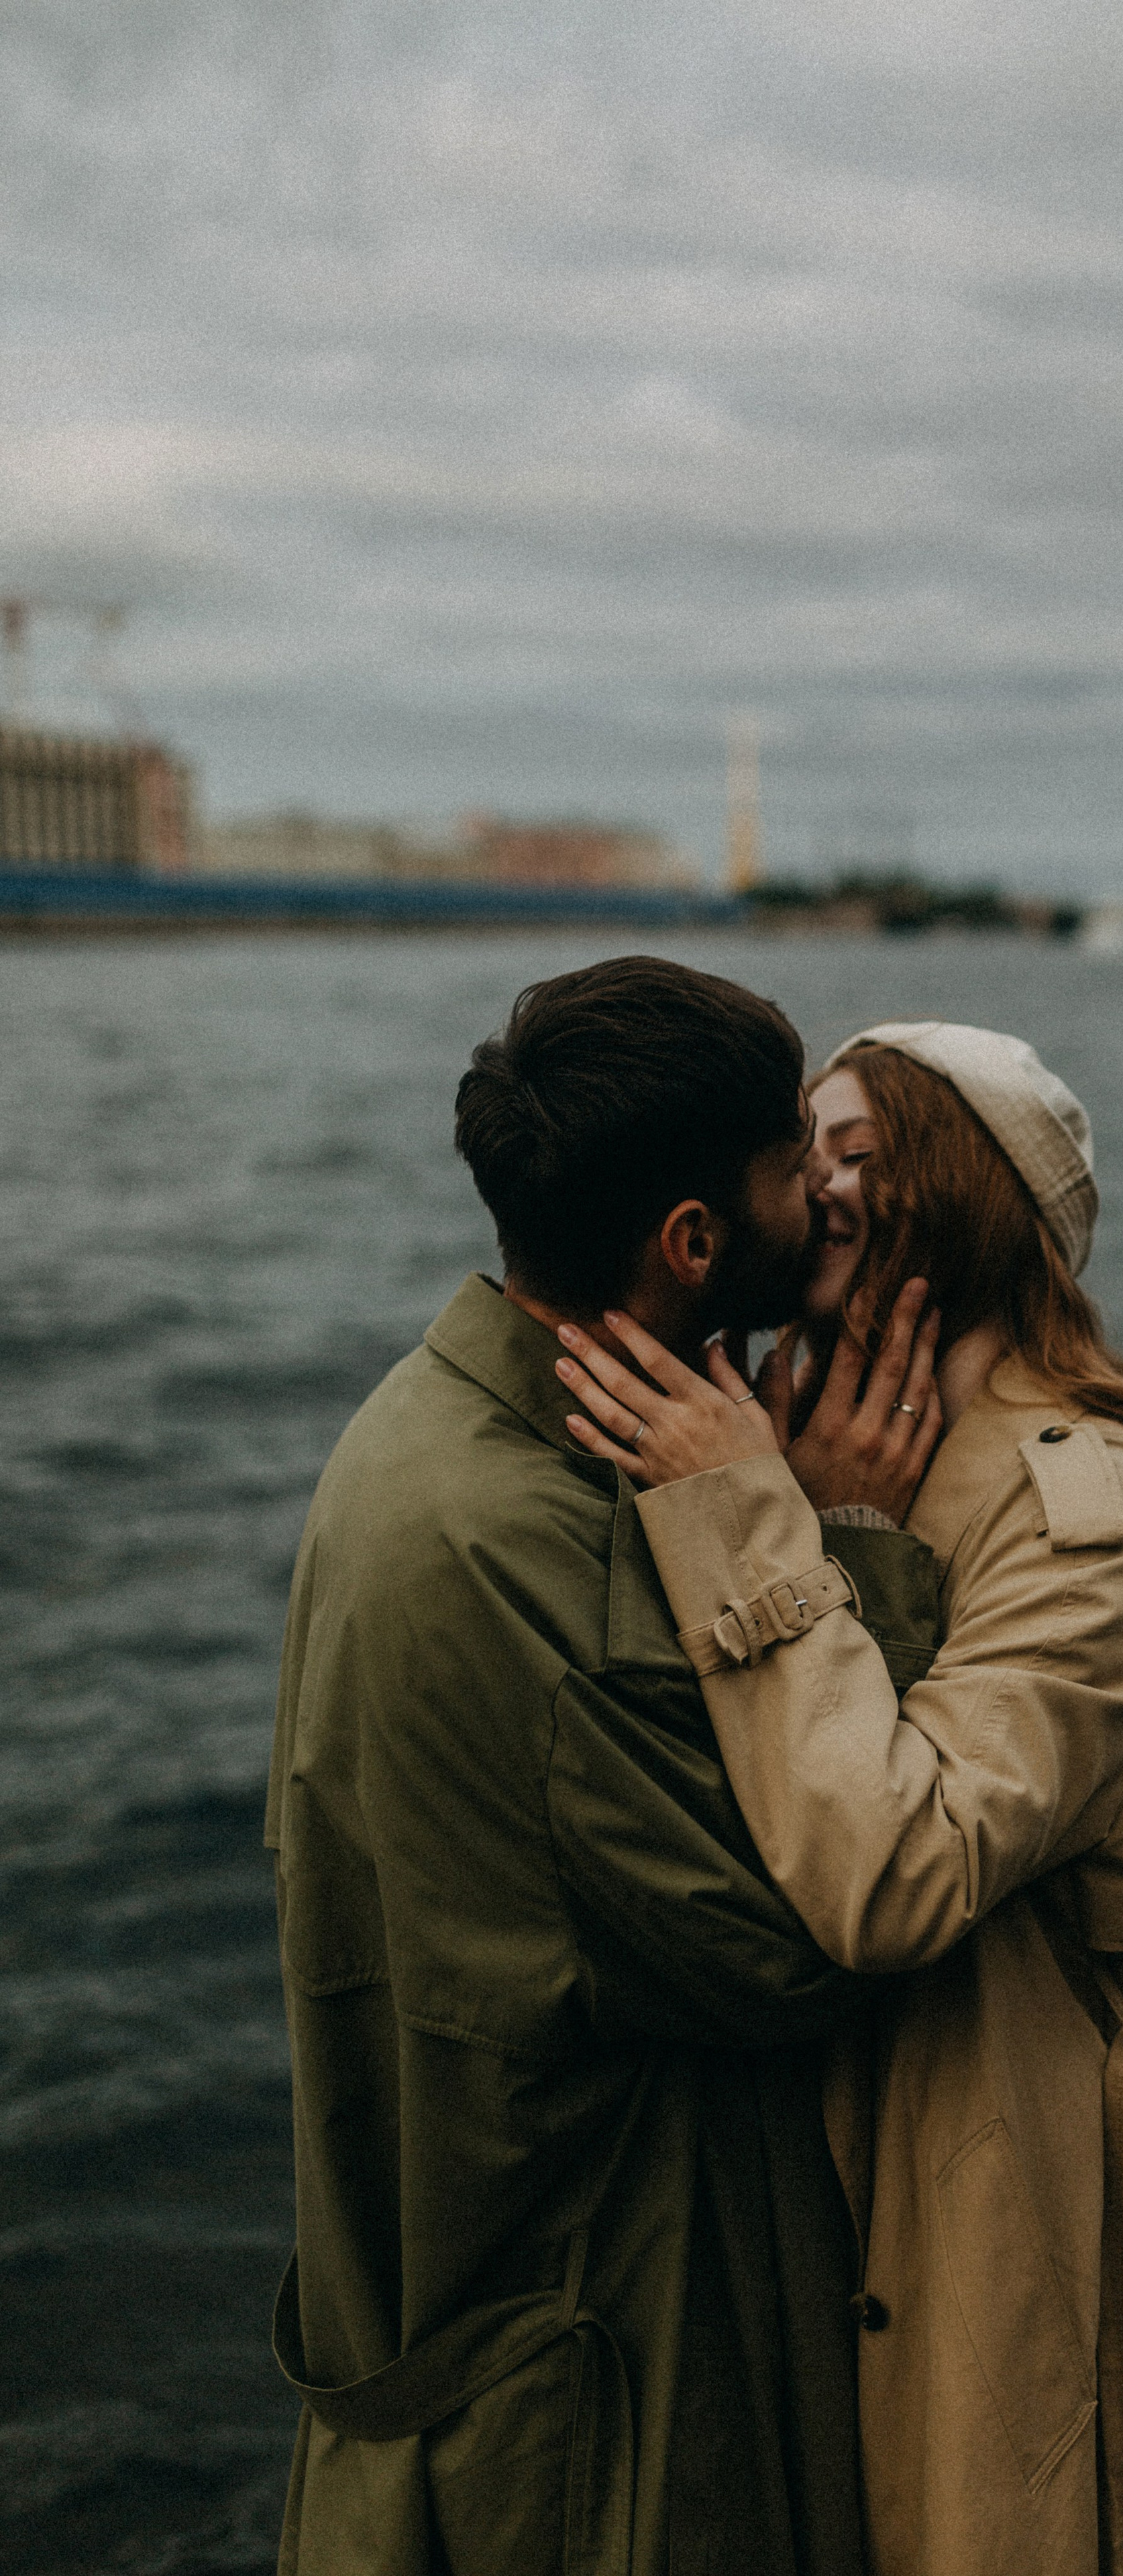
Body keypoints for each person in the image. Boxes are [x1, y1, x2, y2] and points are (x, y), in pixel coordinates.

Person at [553, 1019, 1123, 2576]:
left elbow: (895, 1874)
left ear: (965, 1197)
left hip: (999, 2170)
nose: (806, 1188)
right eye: (800, 1148)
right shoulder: (824, 1439)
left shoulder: (1079, 1515)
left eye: (857, 1155)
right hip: (817, 2139)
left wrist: (755, 1526)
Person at [265, 959, 945, 2576]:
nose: (829, 1199)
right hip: (597, 2411)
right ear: (693, 1242)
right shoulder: (520, 1541)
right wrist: (848, 1547)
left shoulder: (439, 1428)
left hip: (509, 2321)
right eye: (798, 1164)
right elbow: (805, 1938)